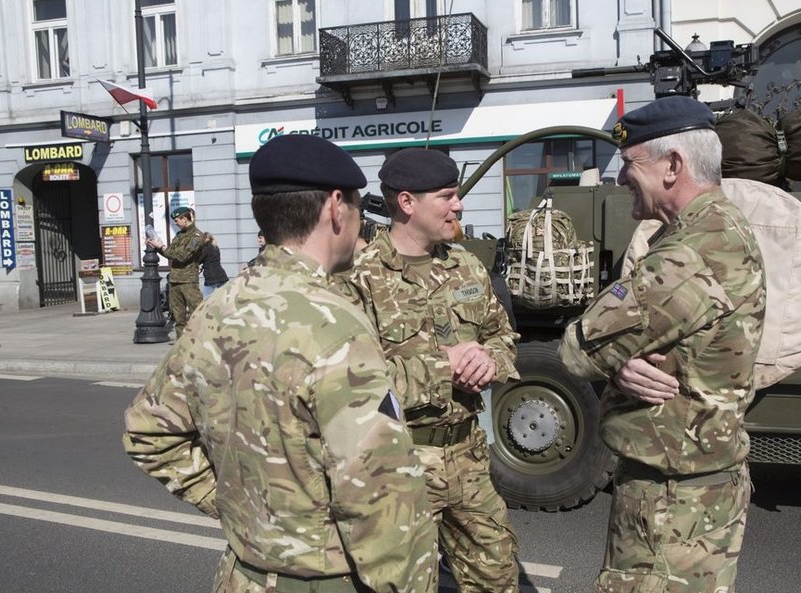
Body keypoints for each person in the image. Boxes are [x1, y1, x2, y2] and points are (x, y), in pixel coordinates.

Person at [123, 134, 438, 593]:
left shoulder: (217, 308)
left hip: (242, 577)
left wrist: (244, 505)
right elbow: (383, 497)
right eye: (356, 207)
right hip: (327, 580)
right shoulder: (335, 324)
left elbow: (148, 432)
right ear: (335, 207)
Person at [558, 95, 766, 593]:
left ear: (673, 166)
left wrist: (609, 361)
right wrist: (620, 365)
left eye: (631, 164)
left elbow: (575, 347)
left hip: (669, 505)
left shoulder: (685, 258)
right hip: (708, 488)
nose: (622, 177)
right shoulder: (728, 226)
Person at [340, 148, 521, 593]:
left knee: (497, 577)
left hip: (469, 459)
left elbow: (503, 337)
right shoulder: (356, 278)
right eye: (447, 196)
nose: (459, 205)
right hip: (398, 466)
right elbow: (350, 383)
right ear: (407, 203)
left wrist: (489, 360)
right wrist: (444, 367)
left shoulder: (465, 265)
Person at [146, 206, 204, 339]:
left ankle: (200, 343)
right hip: (175, 280)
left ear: (185, 219)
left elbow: (182, 256)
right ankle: (181, 345)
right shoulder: (179, 236)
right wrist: (157, 246)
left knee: (198, 314)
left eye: (177, 220)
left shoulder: (197, 236)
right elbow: (170, 253)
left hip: (188, 281)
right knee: (179, 318)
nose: (176, 223)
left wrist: (162, 247)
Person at [198, 232, 229, 298]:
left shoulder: (205, 248)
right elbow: (211, 260)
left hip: (211, 276)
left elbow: (198, 260)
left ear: (204, 239)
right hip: (221, 275)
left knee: (206, 299)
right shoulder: (216, 247)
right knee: (224, 298)